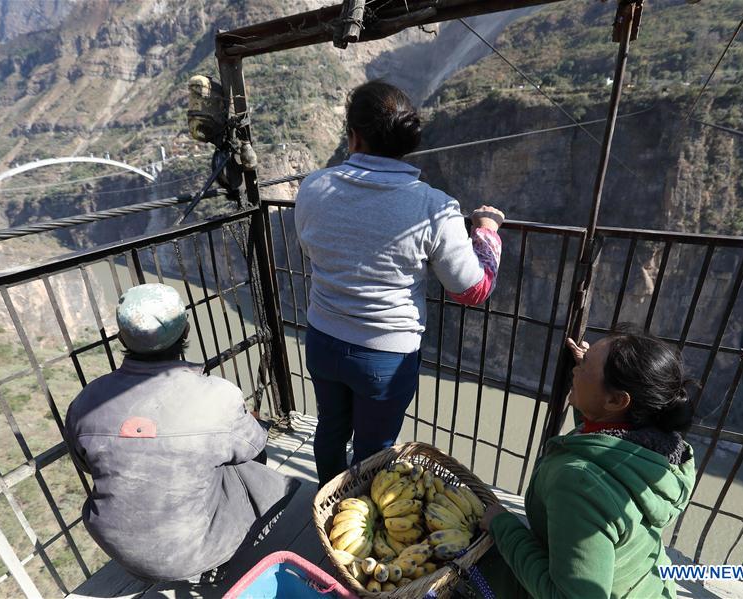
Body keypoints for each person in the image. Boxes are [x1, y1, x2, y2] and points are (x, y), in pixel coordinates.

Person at [294, 80, 506, 487]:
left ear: (353, 136)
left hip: (322, 336)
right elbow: (472, 290)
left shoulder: (313, 187)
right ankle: (357, 522)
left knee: (330, 429)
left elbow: (313, 249)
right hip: (385, 357)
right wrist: (487, 231)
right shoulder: (434, 206)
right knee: (375, 448)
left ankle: (326, 504)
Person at [64, 283, 298, 583]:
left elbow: (85, 464)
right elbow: (254, 446)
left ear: (121, 337)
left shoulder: (86, 402)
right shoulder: (217, 397)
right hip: (189, 553)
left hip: (119, 545)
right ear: (186, 331)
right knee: (250, 470)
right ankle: (222, 557)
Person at [475, 324, 696, 598]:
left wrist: (503, 526)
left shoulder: (579, 483)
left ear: (615, 400)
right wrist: (591, 373)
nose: (575, 369)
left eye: (585, 366)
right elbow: (601, 432)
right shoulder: (661, 451)